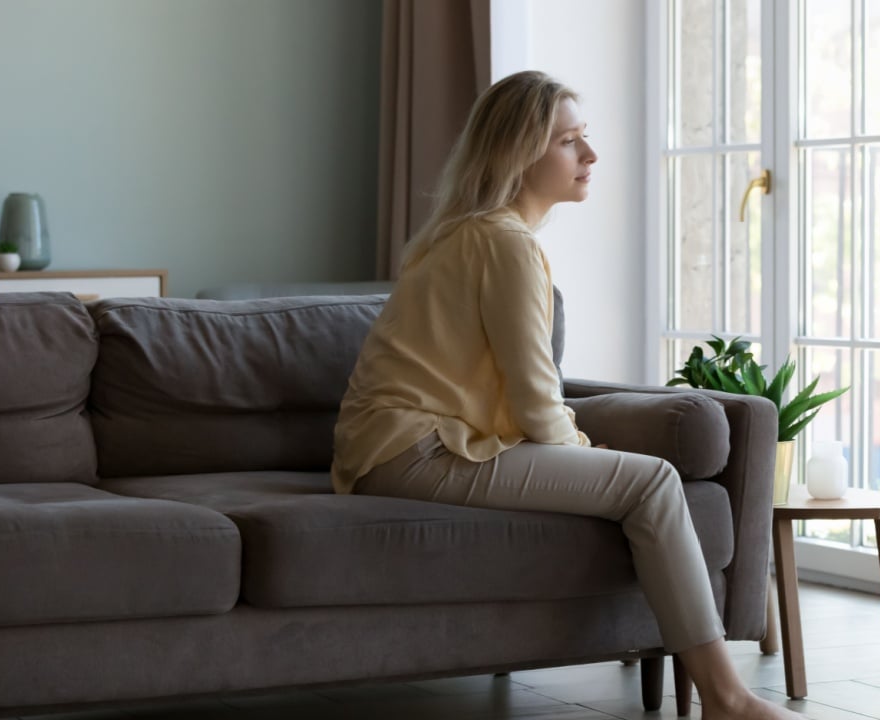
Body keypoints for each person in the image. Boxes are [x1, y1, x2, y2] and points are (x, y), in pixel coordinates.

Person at [332, 70, 803, 720]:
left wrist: (579, 454)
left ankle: (722, 693)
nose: (590, 155)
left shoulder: (472, 233)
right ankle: (728, 699)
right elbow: (534, 400)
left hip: (394, 450)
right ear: (518, 154)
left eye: (585, 137)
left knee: (634, 482)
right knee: (652, 483)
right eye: (569, 141)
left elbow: (525, 397)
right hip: (417, 451)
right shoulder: (505, 244)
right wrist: (581, 452)